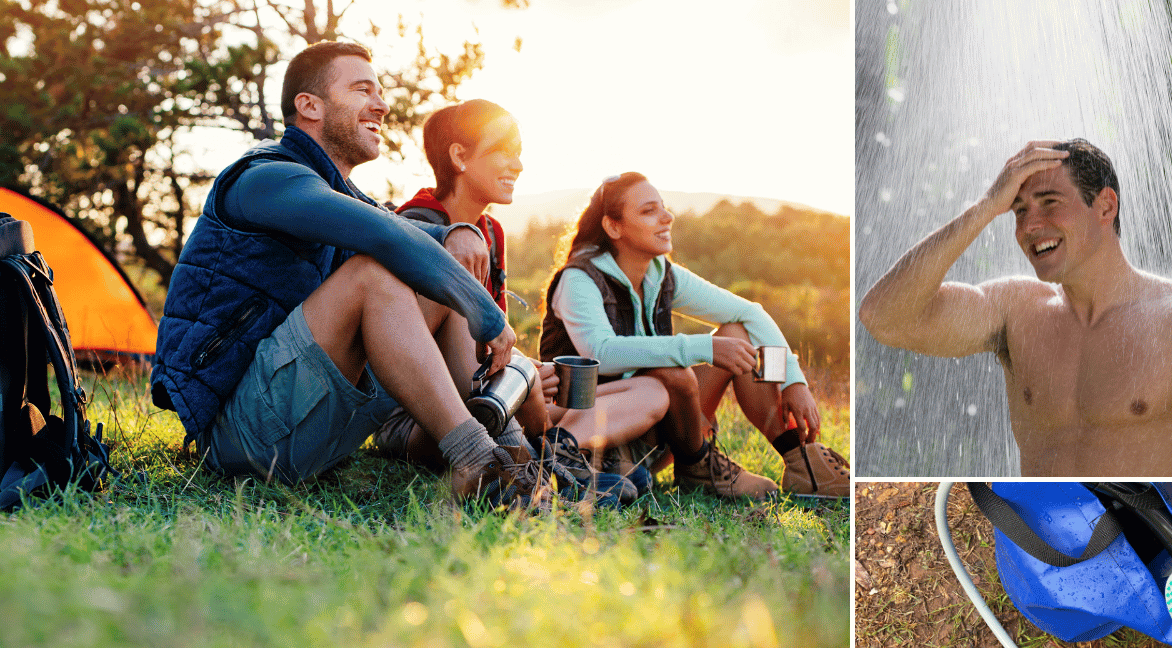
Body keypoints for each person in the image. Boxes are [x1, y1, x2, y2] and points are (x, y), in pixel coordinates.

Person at [150, 41, 559, 508]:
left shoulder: (342, 192)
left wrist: (459, 233)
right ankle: (476, 462)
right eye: (362, 90)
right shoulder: (264, 179)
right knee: (375, 275)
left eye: (380, 92)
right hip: (239, 437)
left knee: (431, 281)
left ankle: (523, 464)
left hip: (311, 429)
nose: (381, 105)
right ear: (309, 106)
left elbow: (406, 237)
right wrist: (487, 313)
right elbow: (385, 234)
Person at [858, 139, 1172, 476]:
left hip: (1144, 543)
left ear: (1105, 206)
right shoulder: (1015, 311)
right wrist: (985, 207)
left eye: (1049, 202)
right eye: (1018, 211)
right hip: (1044, 544)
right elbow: (884, 318)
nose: (1028, 226)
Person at [371, 100, 667, 498]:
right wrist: (516, 372)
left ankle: (558, 456)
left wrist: (527, 370)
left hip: (486, 391)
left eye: (520, 152)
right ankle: (546, 471)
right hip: (420, 416)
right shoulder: (418, 225)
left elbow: (486, 342)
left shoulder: (490, 231)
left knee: (651, 392)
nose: (518, 165)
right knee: (461, 294)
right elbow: (416, 343)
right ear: (459, 156)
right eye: (503, 151)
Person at [539, 172, 850, 499]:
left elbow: (750, 314)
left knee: (739, 334)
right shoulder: (579, 279)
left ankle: (801, 461)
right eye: (648, 211)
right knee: (671, 371)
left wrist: (792, 381)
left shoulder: (661, 274)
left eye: (663, 207)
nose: (667, 217)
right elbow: (600, 351)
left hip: (659, 428)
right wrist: (704, 348)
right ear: (614, 227)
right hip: (599, 428)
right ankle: (697, 463)